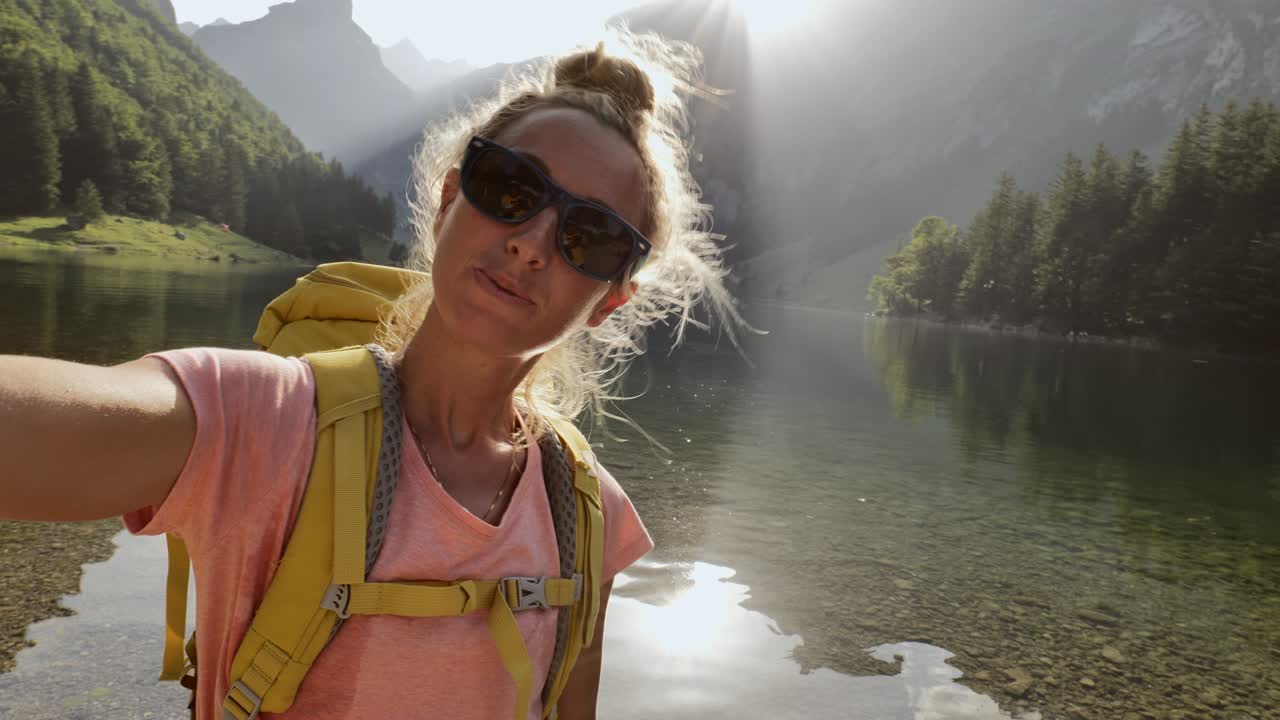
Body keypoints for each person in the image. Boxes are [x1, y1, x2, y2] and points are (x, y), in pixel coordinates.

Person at [0, 30, 742, 720]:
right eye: (511, 188)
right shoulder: (263, 421)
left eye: (591, 235)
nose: (532, 242)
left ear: (610, 299)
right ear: (451, 200)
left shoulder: (591, 519)